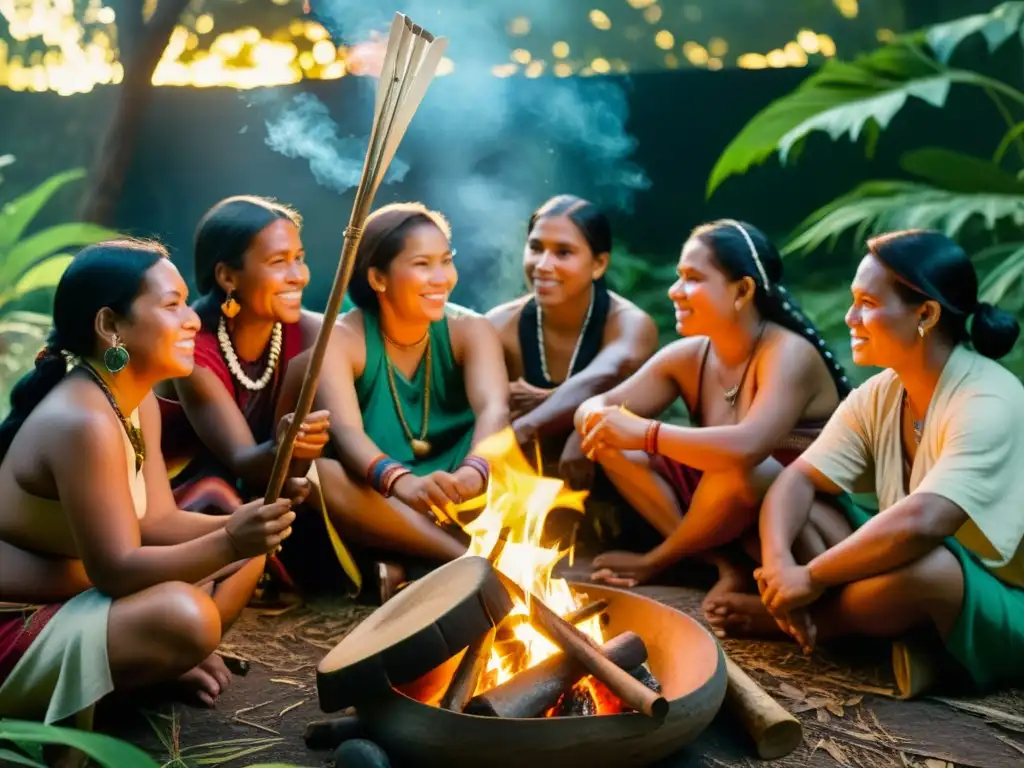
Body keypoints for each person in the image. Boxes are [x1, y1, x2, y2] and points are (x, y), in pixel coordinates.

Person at [0, 240, 302, 725]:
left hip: (80, 595)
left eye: (186, 302)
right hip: (18, 622)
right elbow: (116, 571)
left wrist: (251, 526)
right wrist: (227, 540)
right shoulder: (82, 420)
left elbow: (157, 520)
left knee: (247, 556)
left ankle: (149, 662)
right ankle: (149, 664)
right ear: (110, 326)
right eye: (171, 305)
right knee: (186, 616)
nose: (193, 320)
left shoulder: (132, 399)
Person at [744, 229, 1024, 696]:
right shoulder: (883, 391)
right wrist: (779, 570)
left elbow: (924, 522)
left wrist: (809, 578)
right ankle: (899, 639)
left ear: (926, 314)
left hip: (1001, 598)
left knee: (928, 570)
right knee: (797, 503)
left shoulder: (989, 399)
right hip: (903, 565)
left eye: (867, 304)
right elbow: (797, 480)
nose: (851, 317)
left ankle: (819, 625)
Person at [573, 219, 851, 606]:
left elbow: (748, 448)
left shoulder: (788, 355)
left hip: (801, 528)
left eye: (692, 278)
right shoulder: (691, 356)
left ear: (742, 291)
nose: (675, 291)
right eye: (677, 276)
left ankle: (660, 560)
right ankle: (722, 565)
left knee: (751, 467)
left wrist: (645, 433)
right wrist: (598, 419)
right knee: (610, 442)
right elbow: (595, 406)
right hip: (719, 519)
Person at [279, 201, 510, 598]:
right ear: (378, 278)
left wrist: (474, 472)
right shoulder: (341, 340)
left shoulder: (471, 329)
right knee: (318, 476)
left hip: (459, 482)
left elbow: (495, 408)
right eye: (423, 264)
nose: (442, 278)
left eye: (445, 260)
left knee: (513, 445)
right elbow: (348, 432)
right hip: (380, 493)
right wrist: (403, 484)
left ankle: (411, 567)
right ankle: (468, 561)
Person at [156, 195, 355, 592]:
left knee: (323, 477)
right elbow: (244, 461)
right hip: (186, 501)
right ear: (228, 277)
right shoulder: (191, 347)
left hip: (268, 491)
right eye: (278, 262)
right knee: (221, 491)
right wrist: (287, 444)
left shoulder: (313, 332)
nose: (298, 275)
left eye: (300, 258)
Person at [486, 195, 658, 489]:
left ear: (599, 264)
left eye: (563, 253)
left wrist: (531, 427)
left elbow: (606, 372)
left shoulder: (628, 323)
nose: (542, 265)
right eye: (536, 248)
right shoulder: (499, 326)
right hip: (520, 487)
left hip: (617, 487)